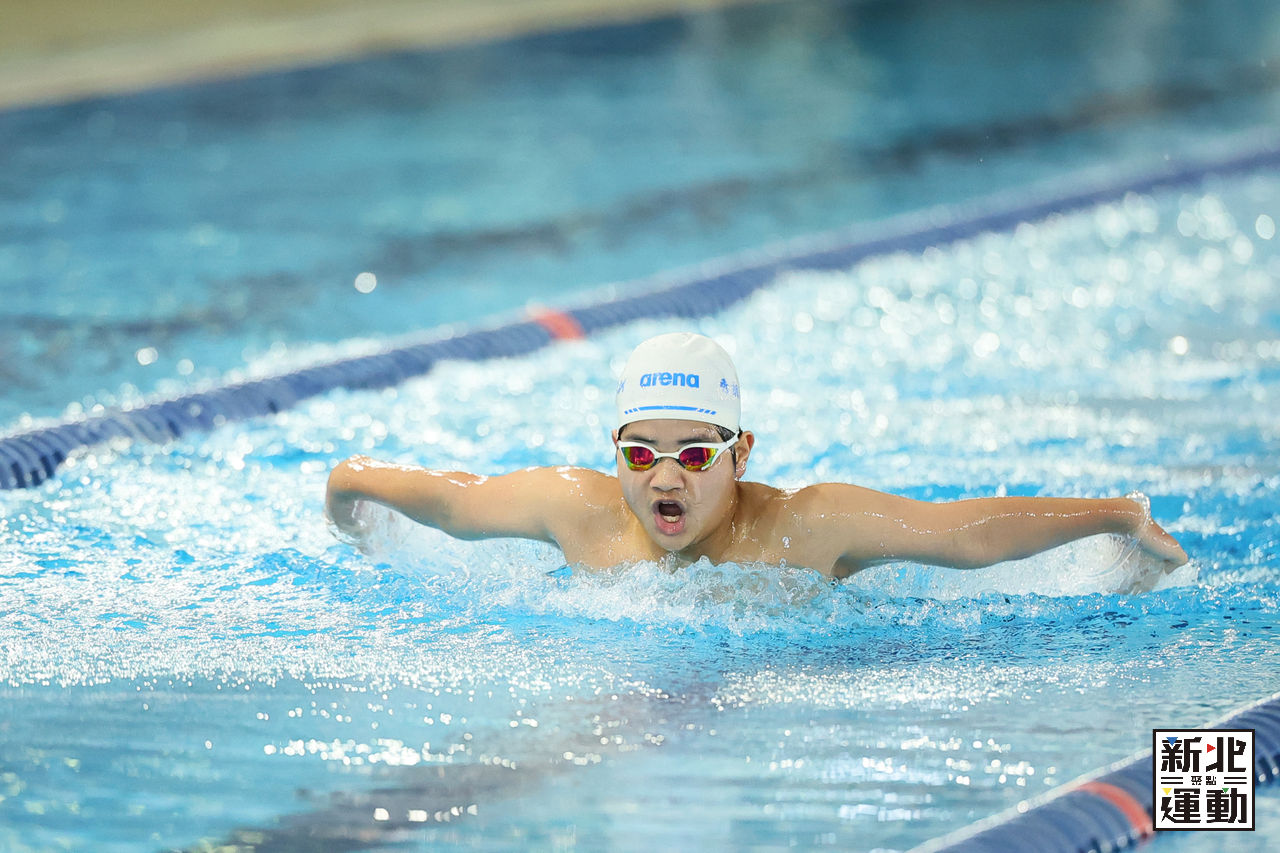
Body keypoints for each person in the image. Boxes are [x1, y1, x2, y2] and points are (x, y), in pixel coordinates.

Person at [325, 332, 1187, 579]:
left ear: (741, 455)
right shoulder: (577, 512)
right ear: (613, 452)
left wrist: (1116, 516)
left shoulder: (805, 528)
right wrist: (348, 486)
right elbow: (457, 500)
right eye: (641, 453)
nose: (665, 476)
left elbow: (962, 534)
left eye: (695, 454)